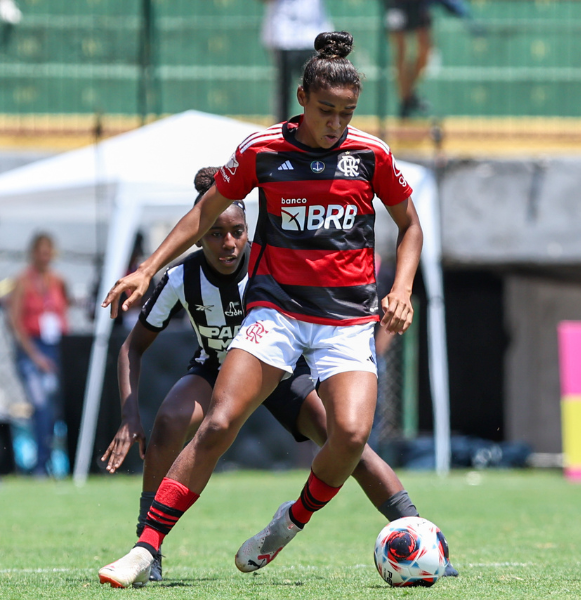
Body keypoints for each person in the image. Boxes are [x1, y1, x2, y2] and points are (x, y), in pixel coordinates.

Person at [98, 31, 427, 588]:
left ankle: (288, 523)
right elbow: (207, 212)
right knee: (219, 420)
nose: (336, 123)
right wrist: (148, 267)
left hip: (346, 319)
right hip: (275, 312)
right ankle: (146, 546)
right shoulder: (263, 150)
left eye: (346, 113)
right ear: (302, 99)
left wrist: (404, 288)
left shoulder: (371, 155)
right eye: (326, 111)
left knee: (349, 436)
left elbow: (411, 225)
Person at [101, 167, 455, 582]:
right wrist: (129, 415)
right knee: (170, 421)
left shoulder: (272, 265)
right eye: (215, 233)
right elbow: (132, 346)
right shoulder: (180, 278)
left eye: (236, 231)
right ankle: (147, 549)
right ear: (197, 235)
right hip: (216, 367)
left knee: (348, 442)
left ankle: (421, 535)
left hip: (282, 369)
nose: (228, 242)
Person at [6, 233, 69, 477]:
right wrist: (35, 356)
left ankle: (53, 461)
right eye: (40, 251)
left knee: (55, 408)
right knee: (40, 404)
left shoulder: (58, 281)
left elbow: (64, 312)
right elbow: (15, 322)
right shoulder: (21, 282)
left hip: (55, 346)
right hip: (32, 348)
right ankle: (40, 464)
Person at [385, 0, 475, 118]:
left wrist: (458, 9)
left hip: (419, 6)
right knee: (401, 50)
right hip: (397, 5)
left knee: (425, 49)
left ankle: (408, 97)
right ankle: (407, 99)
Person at [259, 0, 332, 123]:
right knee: (284, 90)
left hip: (313, 34)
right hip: (284, 34)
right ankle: (281, 130)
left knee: (318, 86)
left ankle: (319, 127)